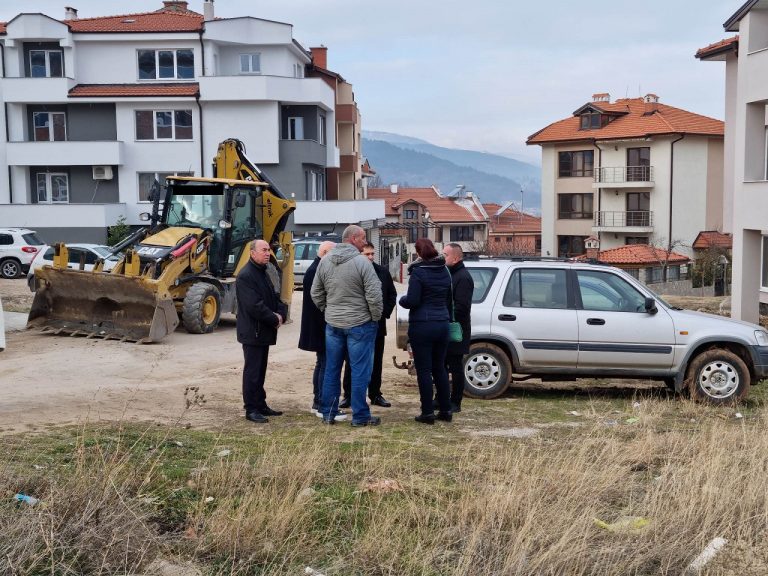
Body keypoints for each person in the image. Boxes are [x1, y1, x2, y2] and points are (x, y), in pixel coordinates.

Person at [311, 225, 383, 427]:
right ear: (353, 239)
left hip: (333, 324)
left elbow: (315, 293)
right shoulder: (362, 263)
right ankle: (360, 416)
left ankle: (328, 413)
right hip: (360, 324)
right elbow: (375, 295)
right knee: (360, 370)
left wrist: (329, 310)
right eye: (362, 238)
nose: (364, 242)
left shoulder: (325, 262)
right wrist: (374, 317)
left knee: (332, 369)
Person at [399, 238, 452, 424]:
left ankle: (427, 412)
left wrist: (402, 300)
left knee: (424, 370)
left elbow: (412, 301)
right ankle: (446, 410)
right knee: (440, 369)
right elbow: (448, 299)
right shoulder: (445, 270)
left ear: (419, 253)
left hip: (423, 325)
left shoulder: (419, 273)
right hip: (442, 323)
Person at [235, 239, 289, 424]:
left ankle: (260, 403)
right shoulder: (246, 276)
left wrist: (282, 312)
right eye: (264, 250)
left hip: (263, 331)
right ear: (252, 253)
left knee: (261, 369)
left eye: (269, 250)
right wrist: (274, 318)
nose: (268, 253)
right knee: (253, 371)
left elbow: (274, 297)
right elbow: (254, 306)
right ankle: (251, 408)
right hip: (252, 331)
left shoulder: (264, 272)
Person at [340, 241, 398, 408]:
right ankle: (349, 395)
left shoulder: (382, 272)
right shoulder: (352, 271)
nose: (371, 257)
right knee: (352, 361)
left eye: (372, 254)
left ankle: (375, 394)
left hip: (377, 326)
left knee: (376, 362)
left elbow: (391, 295)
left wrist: (382, 314)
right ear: (360, 255)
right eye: (367, 254)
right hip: (355, 324)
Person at [298, 240, 345, 419]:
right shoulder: (316, 270)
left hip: (319, 325)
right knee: (326, 365)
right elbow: (319, 302)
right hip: (320, 326)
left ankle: (318, 401)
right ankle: (322, 403)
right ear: (325, 252)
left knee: (322, 363)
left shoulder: (317, 268)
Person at [443, 243, 474, 412]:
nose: (443, 258)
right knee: (442, 365)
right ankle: (441, 398)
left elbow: (462, 307)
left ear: (455, 258)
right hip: (447, 328)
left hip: (457, 331)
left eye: (445, 255)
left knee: (455, 366)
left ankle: (455, 401)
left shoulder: (463, 277)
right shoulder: (450, 274)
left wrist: (444, 312)